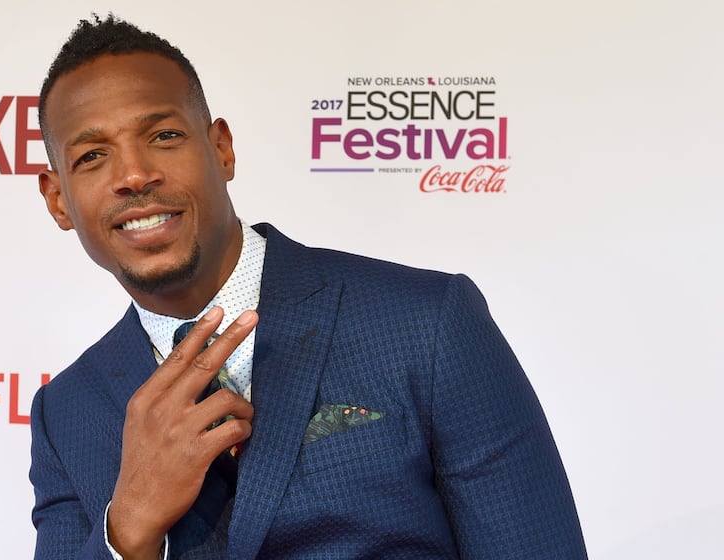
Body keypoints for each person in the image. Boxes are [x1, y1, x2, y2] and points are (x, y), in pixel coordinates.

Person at [29, 14, 588, 560]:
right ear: (58, 200)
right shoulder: (65, 413)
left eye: (165, 135)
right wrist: (127, 529)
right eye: (93, 156)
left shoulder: (427, 323)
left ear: (221, 148)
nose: (134, 174)